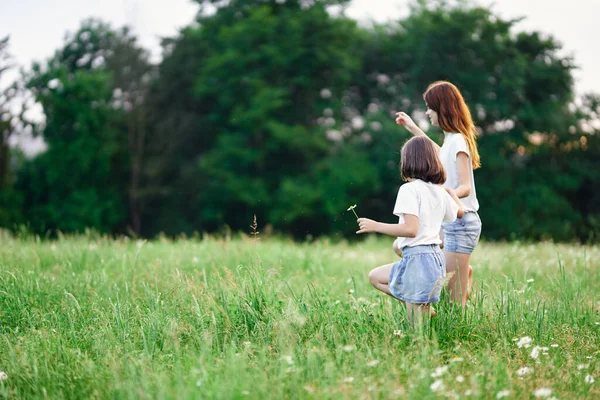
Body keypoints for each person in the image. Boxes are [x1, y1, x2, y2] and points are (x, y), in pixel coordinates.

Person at [395, 80, 482, 308]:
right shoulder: (451, 140)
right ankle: (464, 271)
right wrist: (413, 128)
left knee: (455, 302)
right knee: (401, 246)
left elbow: (465, 187)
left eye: (430, 107)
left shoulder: (460, 141)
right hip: (451, 220)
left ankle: (462, 277)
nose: (427, 112)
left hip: (462, 221)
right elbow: (439, 153)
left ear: (442, 108)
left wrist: (440, 192)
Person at [357, 136, 464, 321]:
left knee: (416, 328)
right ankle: (420, 307)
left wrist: (376, 226)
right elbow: (459, 213)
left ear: (408, 161)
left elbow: (410, 229)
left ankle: (420, 334)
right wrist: (451, 193)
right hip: (435, 259)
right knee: (376, 276)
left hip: (419, 259)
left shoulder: (409, 190)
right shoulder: (439, 191)